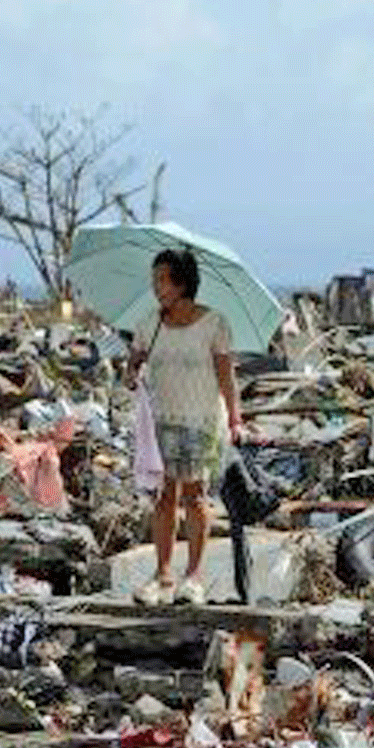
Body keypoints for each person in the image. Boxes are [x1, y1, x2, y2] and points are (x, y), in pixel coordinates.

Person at [128, 247, 243, 605]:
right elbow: (132, 365)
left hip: (202, 421)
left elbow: (227, 376)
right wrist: (131, 372)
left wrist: (237, 418)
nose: (157, 287)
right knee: (164, 498)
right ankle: (163, 574)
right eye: (154, 280)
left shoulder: (214, 323)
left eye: (163, 280)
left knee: (195, 497)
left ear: (182, 282)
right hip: (160, 422)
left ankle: (193, 576)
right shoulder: (150, 324)